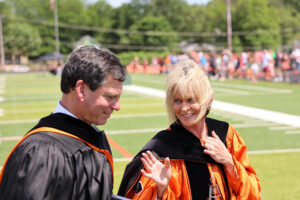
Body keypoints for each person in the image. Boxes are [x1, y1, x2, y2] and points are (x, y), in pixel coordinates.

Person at [118, 60, 261, 199]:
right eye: (177, 101)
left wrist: (230, 163)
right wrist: (161, 191)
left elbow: (253, 194)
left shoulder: (227, 137)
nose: (184, 108)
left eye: (191, 100)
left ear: (208, 99)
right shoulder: (163, 148)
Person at [0, 46, 126, 199]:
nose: (117, 106)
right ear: (81, 90)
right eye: (109, 97)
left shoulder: (89, 138)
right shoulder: (42, 152)